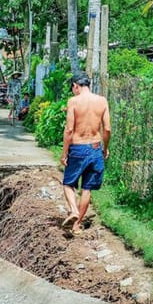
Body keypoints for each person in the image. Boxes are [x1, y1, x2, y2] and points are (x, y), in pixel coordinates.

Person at [60, 72, 111, 236]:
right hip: (96, 147)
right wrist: (105, 148)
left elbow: (69, 130)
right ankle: (77, 225)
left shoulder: (74, 101)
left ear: (76, 85)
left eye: (73, 88)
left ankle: (74, 211)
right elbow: (107, 129)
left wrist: (64, 153)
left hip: (78, 148)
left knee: (68, 183)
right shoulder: (102, 101)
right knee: (87, 188)